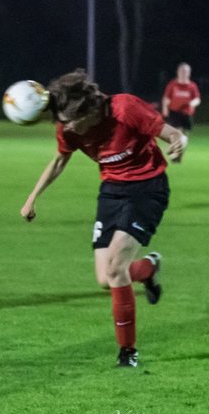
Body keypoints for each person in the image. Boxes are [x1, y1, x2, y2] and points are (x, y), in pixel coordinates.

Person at [20, 69, 188, 368]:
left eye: (73, 121)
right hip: (111, 192)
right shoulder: (67, 126)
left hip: (147, 189)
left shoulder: (125, 108)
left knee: (114, 268)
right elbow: (60, 159)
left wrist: (178, 143)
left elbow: (171, 132)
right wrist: (34, 196)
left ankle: (128, 352)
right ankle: (148, 268)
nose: (67, 128)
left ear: (90, 110)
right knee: (105, 279)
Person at [161, 62, 201, 131]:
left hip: (187, 112)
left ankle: (181, 141)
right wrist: (165, 108)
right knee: (176, 131)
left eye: (186, 71)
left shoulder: (192, 86)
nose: (184, 73)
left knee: (184, 132)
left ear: (189, 73)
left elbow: (197, 99)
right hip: (174, 112)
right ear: (178, 72)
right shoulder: (172, 84)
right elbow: (166, 98)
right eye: (182, 71)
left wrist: (192, 103)